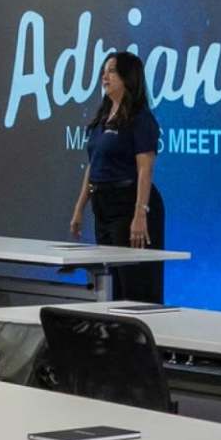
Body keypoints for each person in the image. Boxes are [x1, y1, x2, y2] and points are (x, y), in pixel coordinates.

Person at [64, 50, 165, 303]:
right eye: (104, 71)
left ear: (127, 78)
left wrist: (140, 214)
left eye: (111, 71)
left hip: (128, 204)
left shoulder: (141, 120)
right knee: (111, 283)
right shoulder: (102, 118)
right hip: (103, 206)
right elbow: (94, 166)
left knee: (133, 283)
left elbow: (145, 169)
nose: (104, 77)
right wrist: (79, 207)